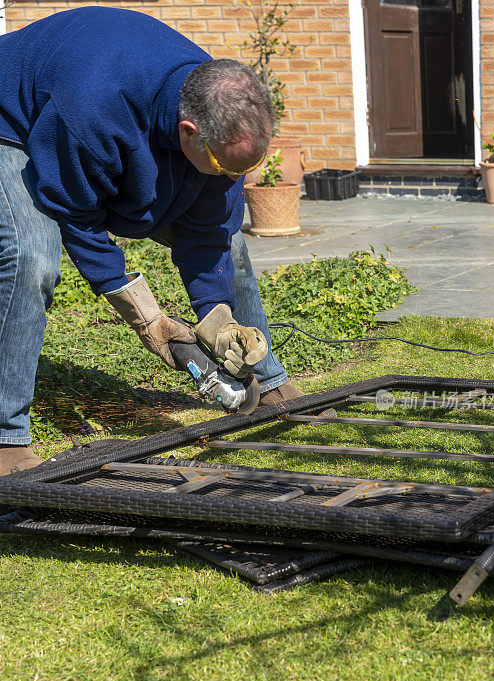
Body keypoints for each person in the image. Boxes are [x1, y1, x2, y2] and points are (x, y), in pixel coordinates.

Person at [0, 6, 312, 477]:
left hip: (103, 129)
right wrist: (146, 318)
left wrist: (216, 314)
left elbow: (208, 231)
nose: (236, 181)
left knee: (232, 245)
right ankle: (5, 436)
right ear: (189, 132)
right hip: (15, 123)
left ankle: (266, 382)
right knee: (31, 256)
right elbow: (76, 214)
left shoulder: (213, 112)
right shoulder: (94, 108)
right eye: (228, 167)